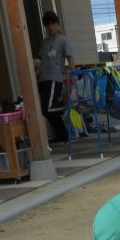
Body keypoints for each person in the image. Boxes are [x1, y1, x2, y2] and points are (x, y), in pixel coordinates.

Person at [36, 11, 75, 146]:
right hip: (42, 80)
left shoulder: (62, 40)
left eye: (53, 23)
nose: (50, 26)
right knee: (44, 111)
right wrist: (36, 75)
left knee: (48, 109)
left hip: (54, 79)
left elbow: (70, 58)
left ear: (57, 24)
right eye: (47, 24)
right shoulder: (44, 42)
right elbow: (41, 62)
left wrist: (72, 78)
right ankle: (63, 136)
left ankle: (63, 107)